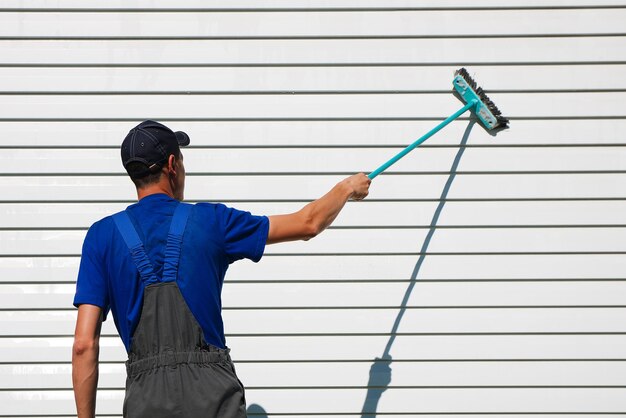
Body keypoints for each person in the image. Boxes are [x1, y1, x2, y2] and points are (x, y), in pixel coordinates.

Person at [71, 120, 371, 418]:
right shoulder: (212, 221)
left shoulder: (101, 236)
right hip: (212, 397)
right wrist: (346, 188)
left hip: (146, 400)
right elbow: (308, 223)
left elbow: (84, 345)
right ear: (173, 165)